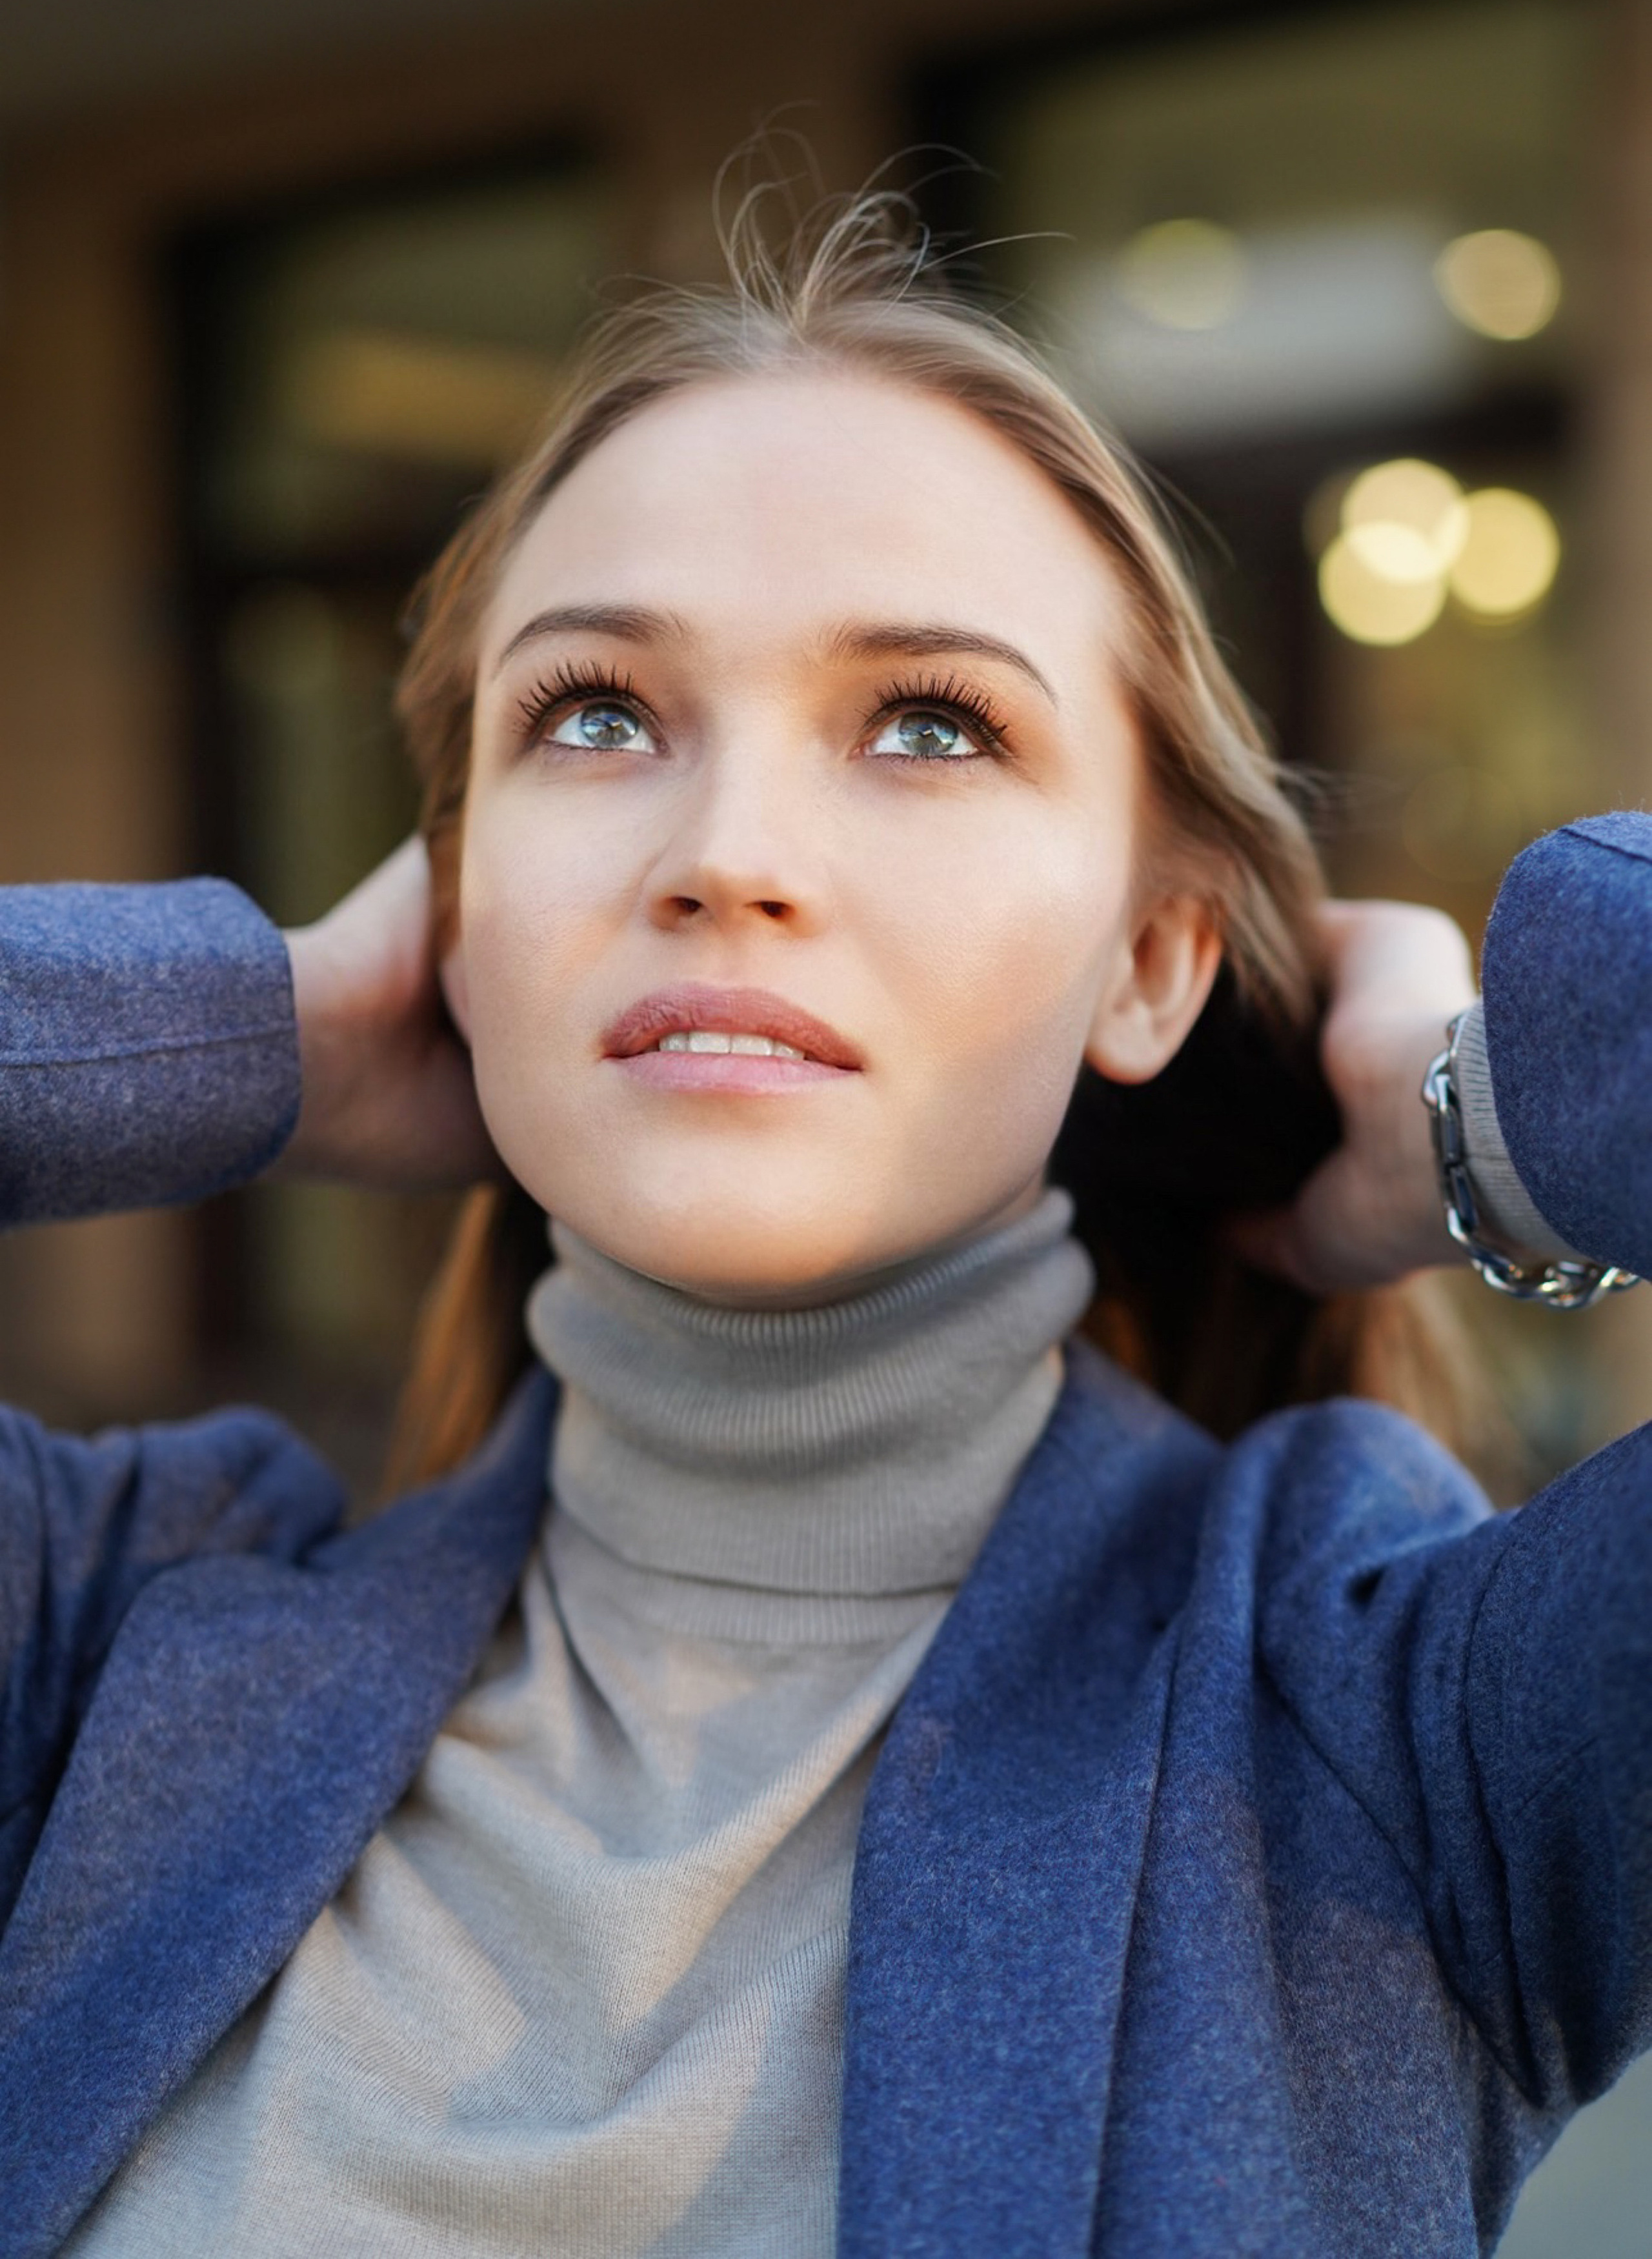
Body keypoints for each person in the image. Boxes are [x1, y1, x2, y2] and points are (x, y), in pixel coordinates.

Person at [1, 196, 1648, 2259]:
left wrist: (1478, 1130)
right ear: (454, 905)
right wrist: (267, 1031)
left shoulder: (1410, 1733)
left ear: (1151, 959)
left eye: (931, 723)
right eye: (594, 716)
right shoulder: (101, 1651)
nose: (729, 856)